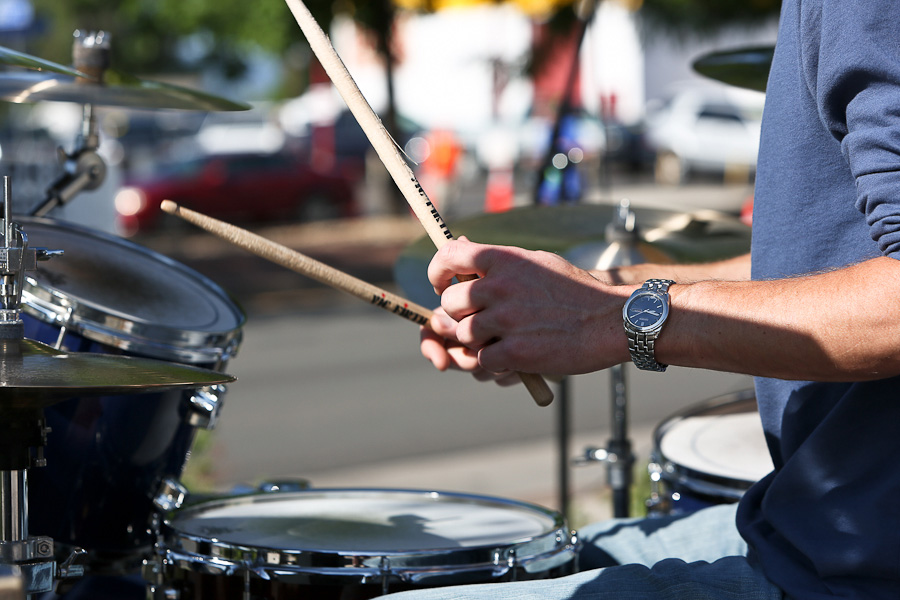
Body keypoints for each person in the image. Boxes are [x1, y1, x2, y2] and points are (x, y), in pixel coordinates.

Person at [378, 0, 900, 598]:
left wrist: (610, 321)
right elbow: (824, 261)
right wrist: (588, 295)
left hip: (858, 562)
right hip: (819, 521)